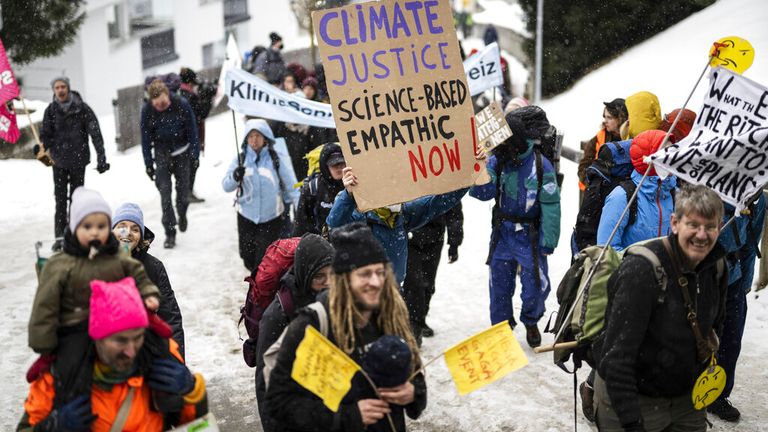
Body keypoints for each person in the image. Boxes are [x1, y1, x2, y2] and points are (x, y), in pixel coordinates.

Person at [265, 223, 426, 432]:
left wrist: (413, 393)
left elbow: (416, 376)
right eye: (365, 274)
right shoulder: (313, 325)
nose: (376, 282)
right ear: (343, 280)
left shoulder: (391, 317)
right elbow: (279, 403)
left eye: (380, 272)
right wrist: (348, 417)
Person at [595, 184, 728, 432]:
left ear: (720, 228)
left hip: (686, 398)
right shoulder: (642, 271)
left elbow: (714, 326)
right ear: (675, 223)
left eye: (710, 227)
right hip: (631, 395)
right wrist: (632, 423)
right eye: (693, 225)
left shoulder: (717, 268)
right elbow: (617, 359)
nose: (702, 235)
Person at [28, 187, 161, 408]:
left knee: (150, 358)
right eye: (87, 226)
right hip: (76, 328)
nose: (94, 232)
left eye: (101, 226)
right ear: (74, 227)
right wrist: (45, 345)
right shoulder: (60, 263)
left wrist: (148, 294)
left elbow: (138, 274)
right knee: (74, 374)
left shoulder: (116, 257)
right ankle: (79, 407)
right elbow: (45, 306)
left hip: (116, 329)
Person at [19, 276, 208, 431]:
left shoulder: (159, 354)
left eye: (137, 337)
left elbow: (197, 427)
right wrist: (51, 428)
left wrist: (192, 393)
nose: (131, 350)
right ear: (96, 337)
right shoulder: (60, 372)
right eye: (120, 340)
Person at [469, 110, 561, 348]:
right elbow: (482, 193)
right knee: (499, 283)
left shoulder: (542, 166)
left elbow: (551, 205)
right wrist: (478, 168)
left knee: (536, 285)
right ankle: (501, 328)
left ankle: (531, 320)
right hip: (502, 233)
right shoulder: (497, 160)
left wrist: (548, 240)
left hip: (529, 235)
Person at [327, 167, 468, 285]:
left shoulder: (402, 213)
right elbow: (334, 223)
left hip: (393, 291)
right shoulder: (357, 214)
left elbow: (439, 202)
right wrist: (349, 194)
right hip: (361, 291)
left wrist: (467, 176)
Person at [255, 234, 335, 432]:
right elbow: (265, 385)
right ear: (305, 275)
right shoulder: (277, 316)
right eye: (319, 277)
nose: (327, 283)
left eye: (331, 275)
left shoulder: (337, 302)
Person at [708, 194, 765, 421]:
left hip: (734, 275)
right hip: (703, 274)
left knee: (731, 338)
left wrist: (744, 284)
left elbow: (752, 241)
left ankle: (718, 394)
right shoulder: (713, 190)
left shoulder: (759, 200)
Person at [39, 76, 109, 251]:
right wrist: (39, 147)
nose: (60, 90)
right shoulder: (50, 111)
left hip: (79, 160)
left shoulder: (82, 108)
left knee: (77, 200)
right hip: (59, 162)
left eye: (63, 86)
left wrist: (102, 157)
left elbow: (96, 134)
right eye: (57, 87)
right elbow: (46, 135)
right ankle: (60, 237)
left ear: (68, 88)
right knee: (60, 201)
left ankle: (75, 235)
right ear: (53, 91)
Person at [222, 119, 299, 272]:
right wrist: (235, 176)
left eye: (257, 135)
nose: (254, 140)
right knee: (247, 256)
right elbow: (226, 186)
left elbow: (292, 186)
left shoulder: (275, 158)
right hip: (246, 216)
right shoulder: (241, 159)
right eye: (250, 136)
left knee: (263, 260)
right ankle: (259, 281)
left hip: (271, 218)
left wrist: (300, 209)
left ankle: (260, 289)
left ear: (265, 138)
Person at [113, 202, 186, 357]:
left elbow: (171, 319)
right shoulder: (94, 263)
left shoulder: (153, 267)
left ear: (141, 237)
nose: (128, 233)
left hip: (142, 354)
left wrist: (176, 361)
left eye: (135, 229)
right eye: (122, 226)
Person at [141, 79, 200, 249]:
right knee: (165, 195)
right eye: (157, 104)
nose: (161, 106)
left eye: (163, 102)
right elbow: (145, 138)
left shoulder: (181, 104)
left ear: (168, 95)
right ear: (151, 101)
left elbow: (192, 130)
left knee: (183, 195)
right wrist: (148, 163)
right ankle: (170, 232)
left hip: (182, 153)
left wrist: (195, 155)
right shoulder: (147, 111)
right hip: (161, 154)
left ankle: (182, 214)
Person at [596, 129, 677, 252]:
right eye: (666, 152)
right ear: (649, 158)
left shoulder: (675, 193)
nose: (673, 157)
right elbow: (606, 252)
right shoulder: (622, 197)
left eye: (673, 151)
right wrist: (637, 267)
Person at [402, 203, 463, 344]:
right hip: (409, 238)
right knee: (413, 283)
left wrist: (454, 243)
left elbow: (454, 211)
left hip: (435, 238)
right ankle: (413, 324)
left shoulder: (444, 183)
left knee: (428, 284)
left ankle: (420, 318)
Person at [293, 142, 346, 237]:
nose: (338, 168)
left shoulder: (353, 185)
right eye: (333, 164)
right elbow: (301, 224)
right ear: (325, 166)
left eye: (341, 163)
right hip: (321, 244)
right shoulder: (313, 188)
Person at [180, 67, 216, 203]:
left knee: (187, 165)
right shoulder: (188, 96)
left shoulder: (180, 93)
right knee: (192, 164)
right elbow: (200, 114)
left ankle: (185, 191)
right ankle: (187, 192)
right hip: (189, 137)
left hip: (183, 138)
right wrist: (208, 99)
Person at [577, 98, 628, 194]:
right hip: (599, 192)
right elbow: (584, 166)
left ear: (620, 118)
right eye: (605, 117)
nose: (605, 121)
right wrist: (594, 186)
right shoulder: (599, 138)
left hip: (623, 193)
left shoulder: (630, 138)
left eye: (610, 118)